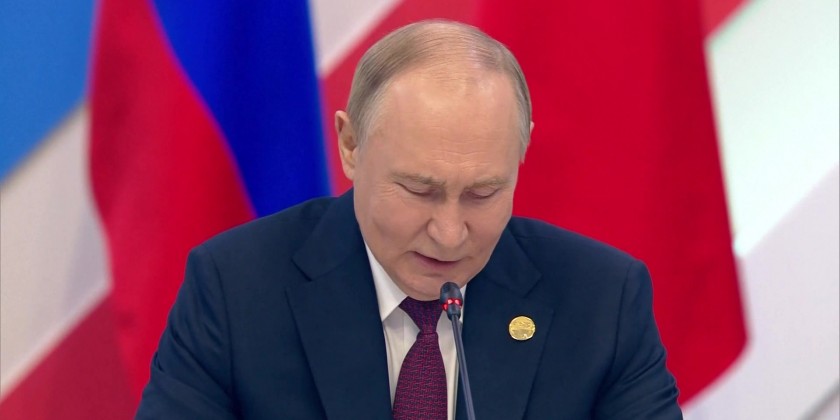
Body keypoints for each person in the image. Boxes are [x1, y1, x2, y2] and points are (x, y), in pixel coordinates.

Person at [136, 19, 682, 419]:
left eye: (483, 193)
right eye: (420, 191)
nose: (449, 233)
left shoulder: (602, 301)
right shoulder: (236, 288)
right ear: (351, 145)